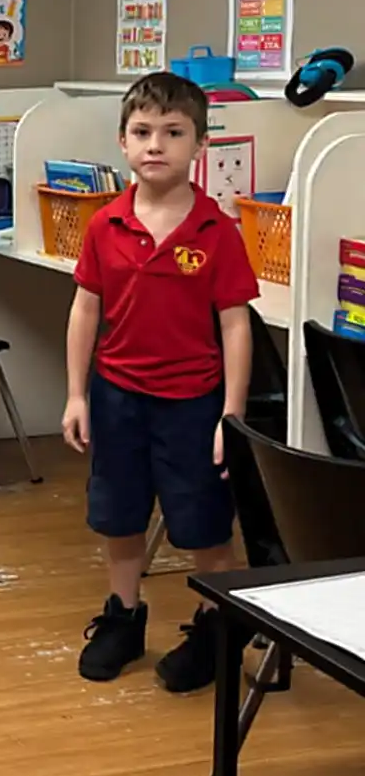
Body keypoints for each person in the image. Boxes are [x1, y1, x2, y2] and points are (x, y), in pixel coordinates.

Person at [65, 72, 257, 692]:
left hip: (193, 403)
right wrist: (75, 394)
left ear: (198, 144)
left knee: (201, 523)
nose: (156, 145)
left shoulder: (216, 231)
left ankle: (215, 625)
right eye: (143, 132)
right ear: (122, 141)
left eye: (173, 133)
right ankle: (123, 618)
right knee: (119, 516)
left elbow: (235, 326)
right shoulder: (105, 225)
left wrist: (231, 414)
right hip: (117, 394)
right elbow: (85, 309)